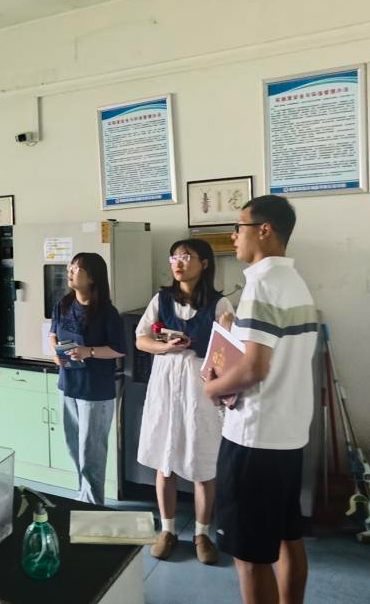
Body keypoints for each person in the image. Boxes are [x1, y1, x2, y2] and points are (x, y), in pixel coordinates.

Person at [203, 195, 317, 604]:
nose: (234, 236)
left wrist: (212, 389)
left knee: (250, 557)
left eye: (239, 227)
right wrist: (234, 326)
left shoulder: (261, 285)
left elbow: (254, 368)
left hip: (254, 437)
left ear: (264, 230)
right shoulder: (293, 282)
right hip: (287, 434)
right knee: (288, 537)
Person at [135, 238, 235, 565]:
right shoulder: (161, 299)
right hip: (165, 382)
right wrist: (165, 347)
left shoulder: (220, 304)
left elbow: (228, 352)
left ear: (204, 264)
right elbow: (141, 339)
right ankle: (167, 530)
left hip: (200, 386)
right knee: (165, 458)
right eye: (174, 257)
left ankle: (202, 534)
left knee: (203, 461)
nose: (178, 263)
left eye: (186, 257)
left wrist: (225, 334)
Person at [48, 252, 126, 505]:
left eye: (76, 269)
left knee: (91, 453)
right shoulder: (63, 304)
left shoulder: (108, 313)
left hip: (95, 391)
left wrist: (88, 352)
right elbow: (53, 333)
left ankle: (93, 505)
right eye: (70, 267)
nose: (70, 272)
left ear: (92, 277)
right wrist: (55, 352)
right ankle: (83, 496)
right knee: (73, 446)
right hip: (68, 384)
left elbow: (119, 349)